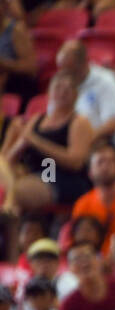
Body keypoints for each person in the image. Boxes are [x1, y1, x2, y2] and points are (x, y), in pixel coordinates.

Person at [1, 70, 92, 213]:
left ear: (75, 95)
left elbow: (75, 162)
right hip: (33, 173)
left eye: (67, 89)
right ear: (49, 93)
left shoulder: (79, 122)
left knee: (15, 193)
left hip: (61, 178)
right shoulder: (37, 119)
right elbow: (10, 157)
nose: (62, 92)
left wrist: (35, 141)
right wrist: (19, 145)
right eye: (58, 88)